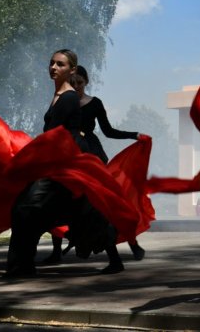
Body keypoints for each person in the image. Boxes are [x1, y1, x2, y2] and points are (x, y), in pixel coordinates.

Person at [7, 49, 124, 277]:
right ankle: (23, 266)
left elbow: (62, 135)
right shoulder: (60, 95)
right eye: (51, 63)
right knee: (78, 211)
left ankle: (21, 267)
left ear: (71, 69)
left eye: (60, 64)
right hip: (57, 160)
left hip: (64, 162)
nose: (53, 67)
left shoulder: (70, 97)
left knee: (26, 209)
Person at [44, 65, 145, 263]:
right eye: (72, 83)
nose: (76, 87)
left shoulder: (94, 103)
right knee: (55, 197)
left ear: (86, 82)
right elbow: (50, 127)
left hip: (91, 155)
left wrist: (134, 135)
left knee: (104, 203)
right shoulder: (62, 102)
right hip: (67, 154)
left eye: (79, 83)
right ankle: (56, 251)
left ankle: (132, 245)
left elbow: (108, 131)